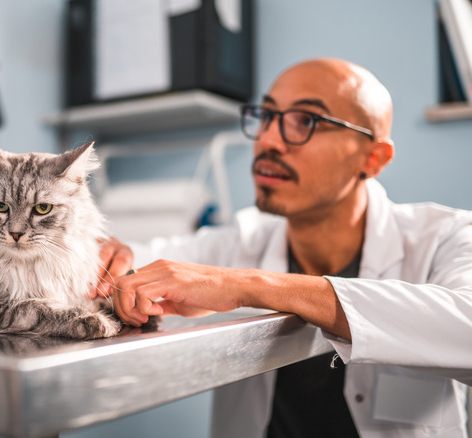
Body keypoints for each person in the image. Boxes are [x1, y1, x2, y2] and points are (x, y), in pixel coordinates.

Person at [97, 58, 472, 437]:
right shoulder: (242, 241)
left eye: (306, 121)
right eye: (267, 116)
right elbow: (137, 264)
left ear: (372, 158)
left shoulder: (445, 237)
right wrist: (100, 255)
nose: (269, 140)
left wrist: (250, 286)